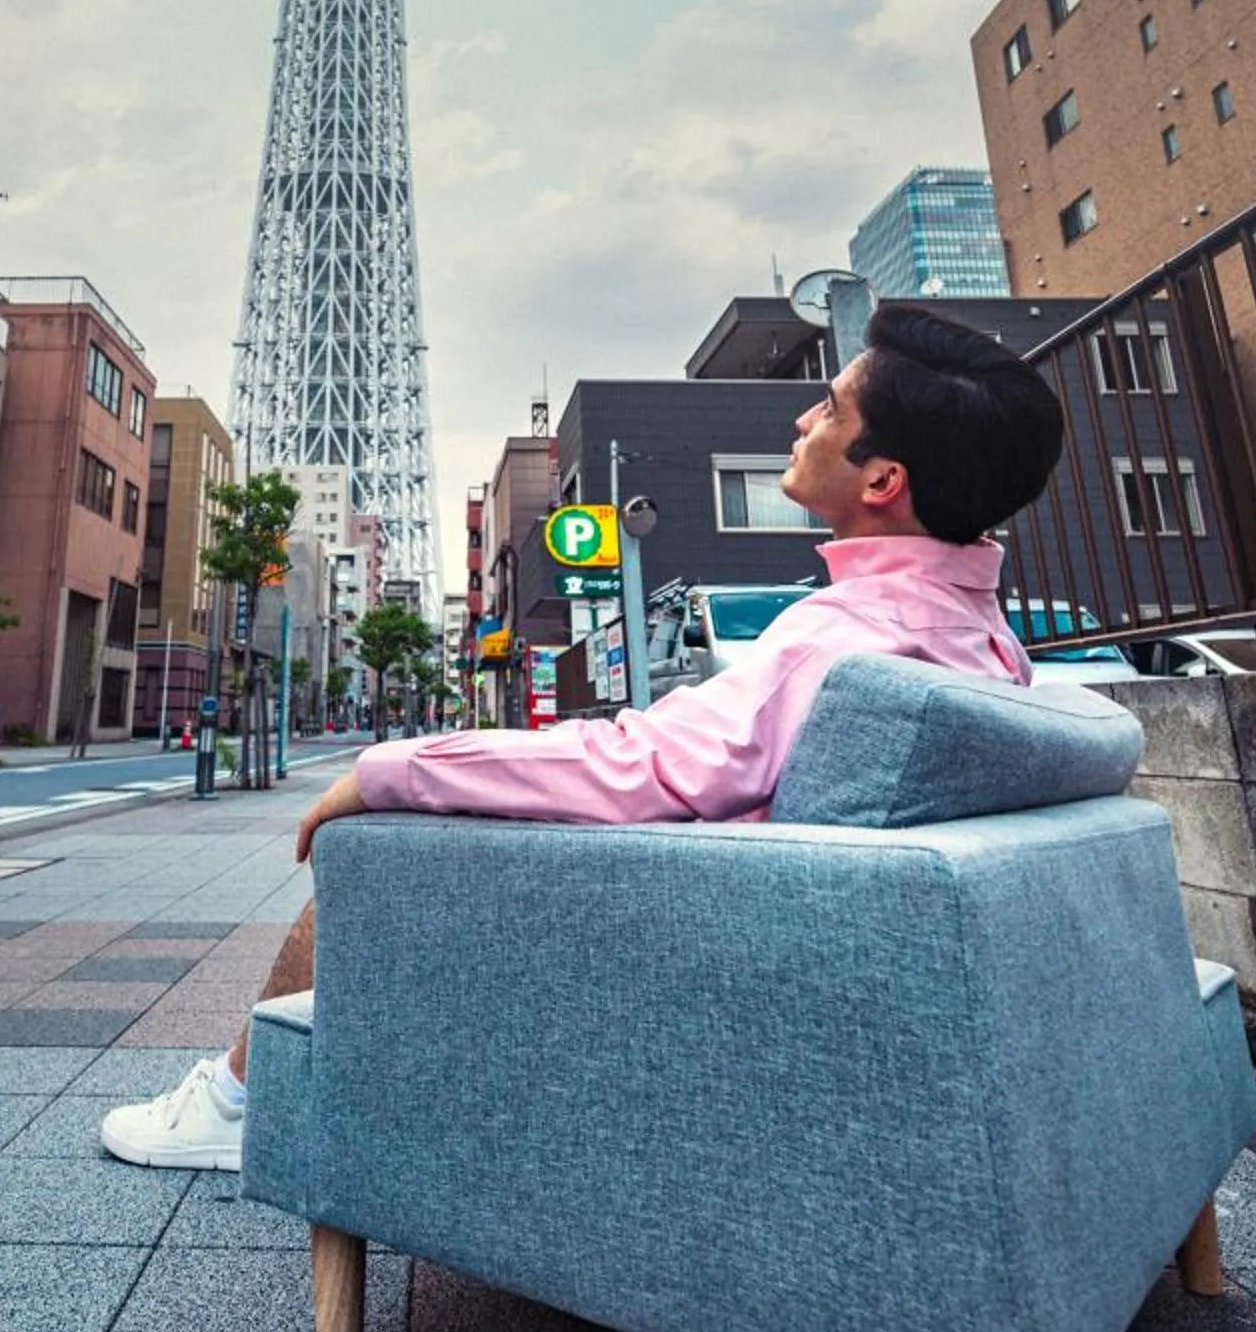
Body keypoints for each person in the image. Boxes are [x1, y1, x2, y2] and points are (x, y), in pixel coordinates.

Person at [101, 304, 1065, 1173]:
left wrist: (396, 767)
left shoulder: (843, 633)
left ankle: (239, 1099)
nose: (801, 421)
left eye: (829, 410)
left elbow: (649, 767)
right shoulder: (983, 638)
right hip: (820, 941)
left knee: (376, 843)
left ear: (885, 478)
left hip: (713, 943)